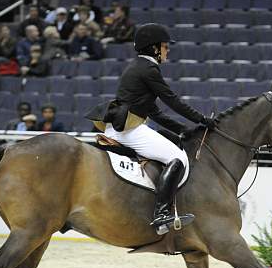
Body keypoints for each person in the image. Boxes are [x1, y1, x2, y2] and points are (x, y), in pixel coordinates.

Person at [86, 23, 217, 234]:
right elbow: (172, 100)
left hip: (126, 126)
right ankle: (162, 215)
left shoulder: (139, 67)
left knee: (170, 141)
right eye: (165, 46)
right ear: (153, 48)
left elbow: (156, 113)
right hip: (129, 130)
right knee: (178, 158)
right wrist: (202, 119)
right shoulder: (148, 69)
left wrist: (184, 128)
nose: (168, 50)